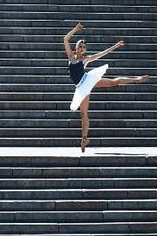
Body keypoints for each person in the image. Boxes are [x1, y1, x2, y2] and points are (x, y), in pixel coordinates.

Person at [64, 22, 149, 152]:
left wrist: (114, 46)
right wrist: (75, 29)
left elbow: (103, 53)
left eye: (84, 47)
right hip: (81, 87)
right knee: (83, 113)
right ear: (76, 48)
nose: (82, 48)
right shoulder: (71, 56)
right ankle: (84, 139)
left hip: (87, 80)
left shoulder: (86, 59)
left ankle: (136, 79)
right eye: (80, 46)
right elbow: (65, 39)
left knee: (113, 82)